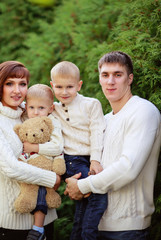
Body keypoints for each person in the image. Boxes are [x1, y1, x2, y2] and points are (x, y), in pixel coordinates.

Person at [64, 51, 161, 240]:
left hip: (127, 228)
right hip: (94, 225)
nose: (110, 81)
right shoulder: (103, 121)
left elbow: (128, 168)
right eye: (105, 75)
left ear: (130, 79)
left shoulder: (143, 111)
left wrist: (83, 185)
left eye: (118, 75)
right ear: (100, 79)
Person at [0, 61, 61, 240]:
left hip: (46, 219)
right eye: (10, 83)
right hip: (13, 226)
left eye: (22, 84)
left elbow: (62, 111)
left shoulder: (29, 113)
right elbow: (11, 168)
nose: (17, 90)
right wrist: (52, 178)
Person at [50, 61, 107, 240]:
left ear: (79, 85)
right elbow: (32, 106)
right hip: (71, 161)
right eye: (59, 87)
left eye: (70, 87)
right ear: (52, 86)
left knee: (84, 204)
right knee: (98, 196)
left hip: (89, 159)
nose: (64, 92)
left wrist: (95, 160)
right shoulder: (53, 108)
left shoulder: (91, 105)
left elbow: (97, 132)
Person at [22, 84, 64, 240]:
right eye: (31, 107)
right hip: (31, 163)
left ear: (51, 108)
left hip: (49, 164)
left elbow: (57, 146)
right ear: (26, 107)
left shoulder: (52, 122)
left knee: (41, 190)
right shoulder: (27, 119)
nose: (35, 112)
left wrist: (34, 147)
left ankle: (38, 229)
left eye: (41, 108)